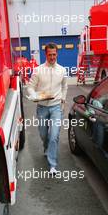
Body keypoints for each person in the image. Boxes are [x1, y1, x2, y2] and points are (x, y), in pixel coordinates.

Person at [27, 42, 68, 175]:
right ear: (46, 54)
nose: (52, 57)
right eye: (50, 54)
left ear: (57, 54)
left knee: (54, 135)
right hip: (42, 107)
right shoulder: (38, 70)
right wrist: (34, 96)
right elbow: (30, 87)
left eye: (54, 54)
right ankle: (46, 148)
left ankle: (52, 165)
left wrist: (63, 99)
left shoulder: (62, 70)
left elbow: (64, 86)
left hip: (56, 107)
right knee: (44, 134)